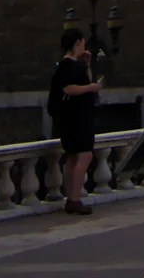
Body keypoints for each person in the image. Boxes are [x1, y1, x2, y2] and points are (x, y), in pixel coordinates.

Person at [48, 28, 102, 214]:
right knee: (85, 155)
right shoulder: (66, 65)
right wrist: (92, 87)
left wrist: (86, 65)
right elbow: (69, 89)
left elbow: (81, 81)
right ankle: (74, 198)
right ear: (78, 42)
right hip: (75, 118)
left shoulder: (74, 64)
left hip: (74, 117)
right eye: (83, 43)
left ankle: (71, 197)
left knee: (72, 157)